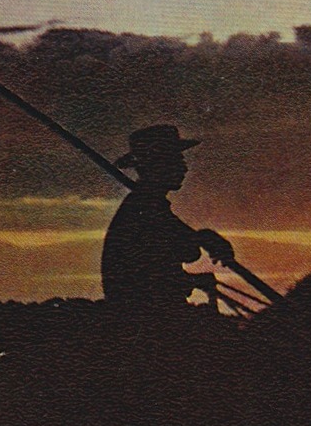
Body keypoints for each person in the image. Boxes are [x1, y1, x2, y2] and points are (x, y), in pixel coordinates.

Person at [100, 125, 235, 313]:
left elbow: (179, 253)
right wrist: (202, 242)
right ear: (157, 164)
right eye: (176, 159)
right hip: (149, 318)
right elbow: (155, 275)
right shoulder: (146, 210)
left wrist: (203, 238)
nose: (184, 167)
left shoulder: (150, 207)